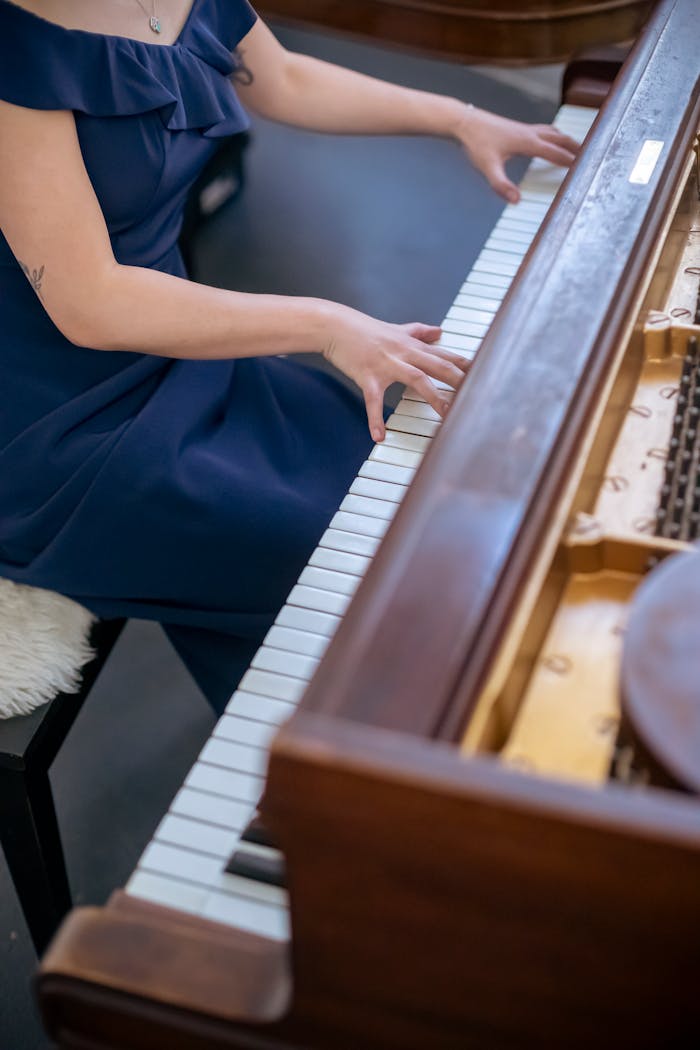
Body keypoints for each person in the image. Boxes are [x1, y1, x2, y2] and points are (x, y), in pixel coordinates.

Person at [0, 0, 578, 714]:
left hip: (172, 346)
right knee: (321, 551)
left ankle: (347, 741)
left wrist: (459, 119)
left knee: (383, 481)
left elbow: (286, 79)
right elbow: (88, 301)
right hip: (56, 419)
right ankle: (329, 770)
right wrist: (326, 323)